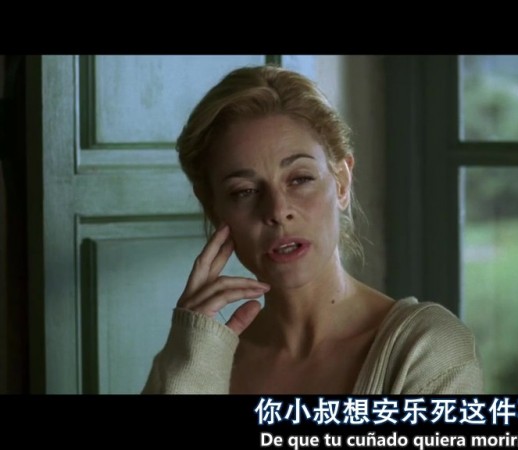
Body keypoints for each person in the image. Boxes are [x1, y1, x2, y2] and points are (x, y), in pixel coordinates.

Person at [142, 65, 483, 395]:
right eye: (244, 191)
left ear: (342, 183)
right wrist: (190, 362)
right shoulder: (196, 360)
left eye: (300, 179)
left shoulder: (427, 349)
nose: (277, 211)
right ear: (213, 208)